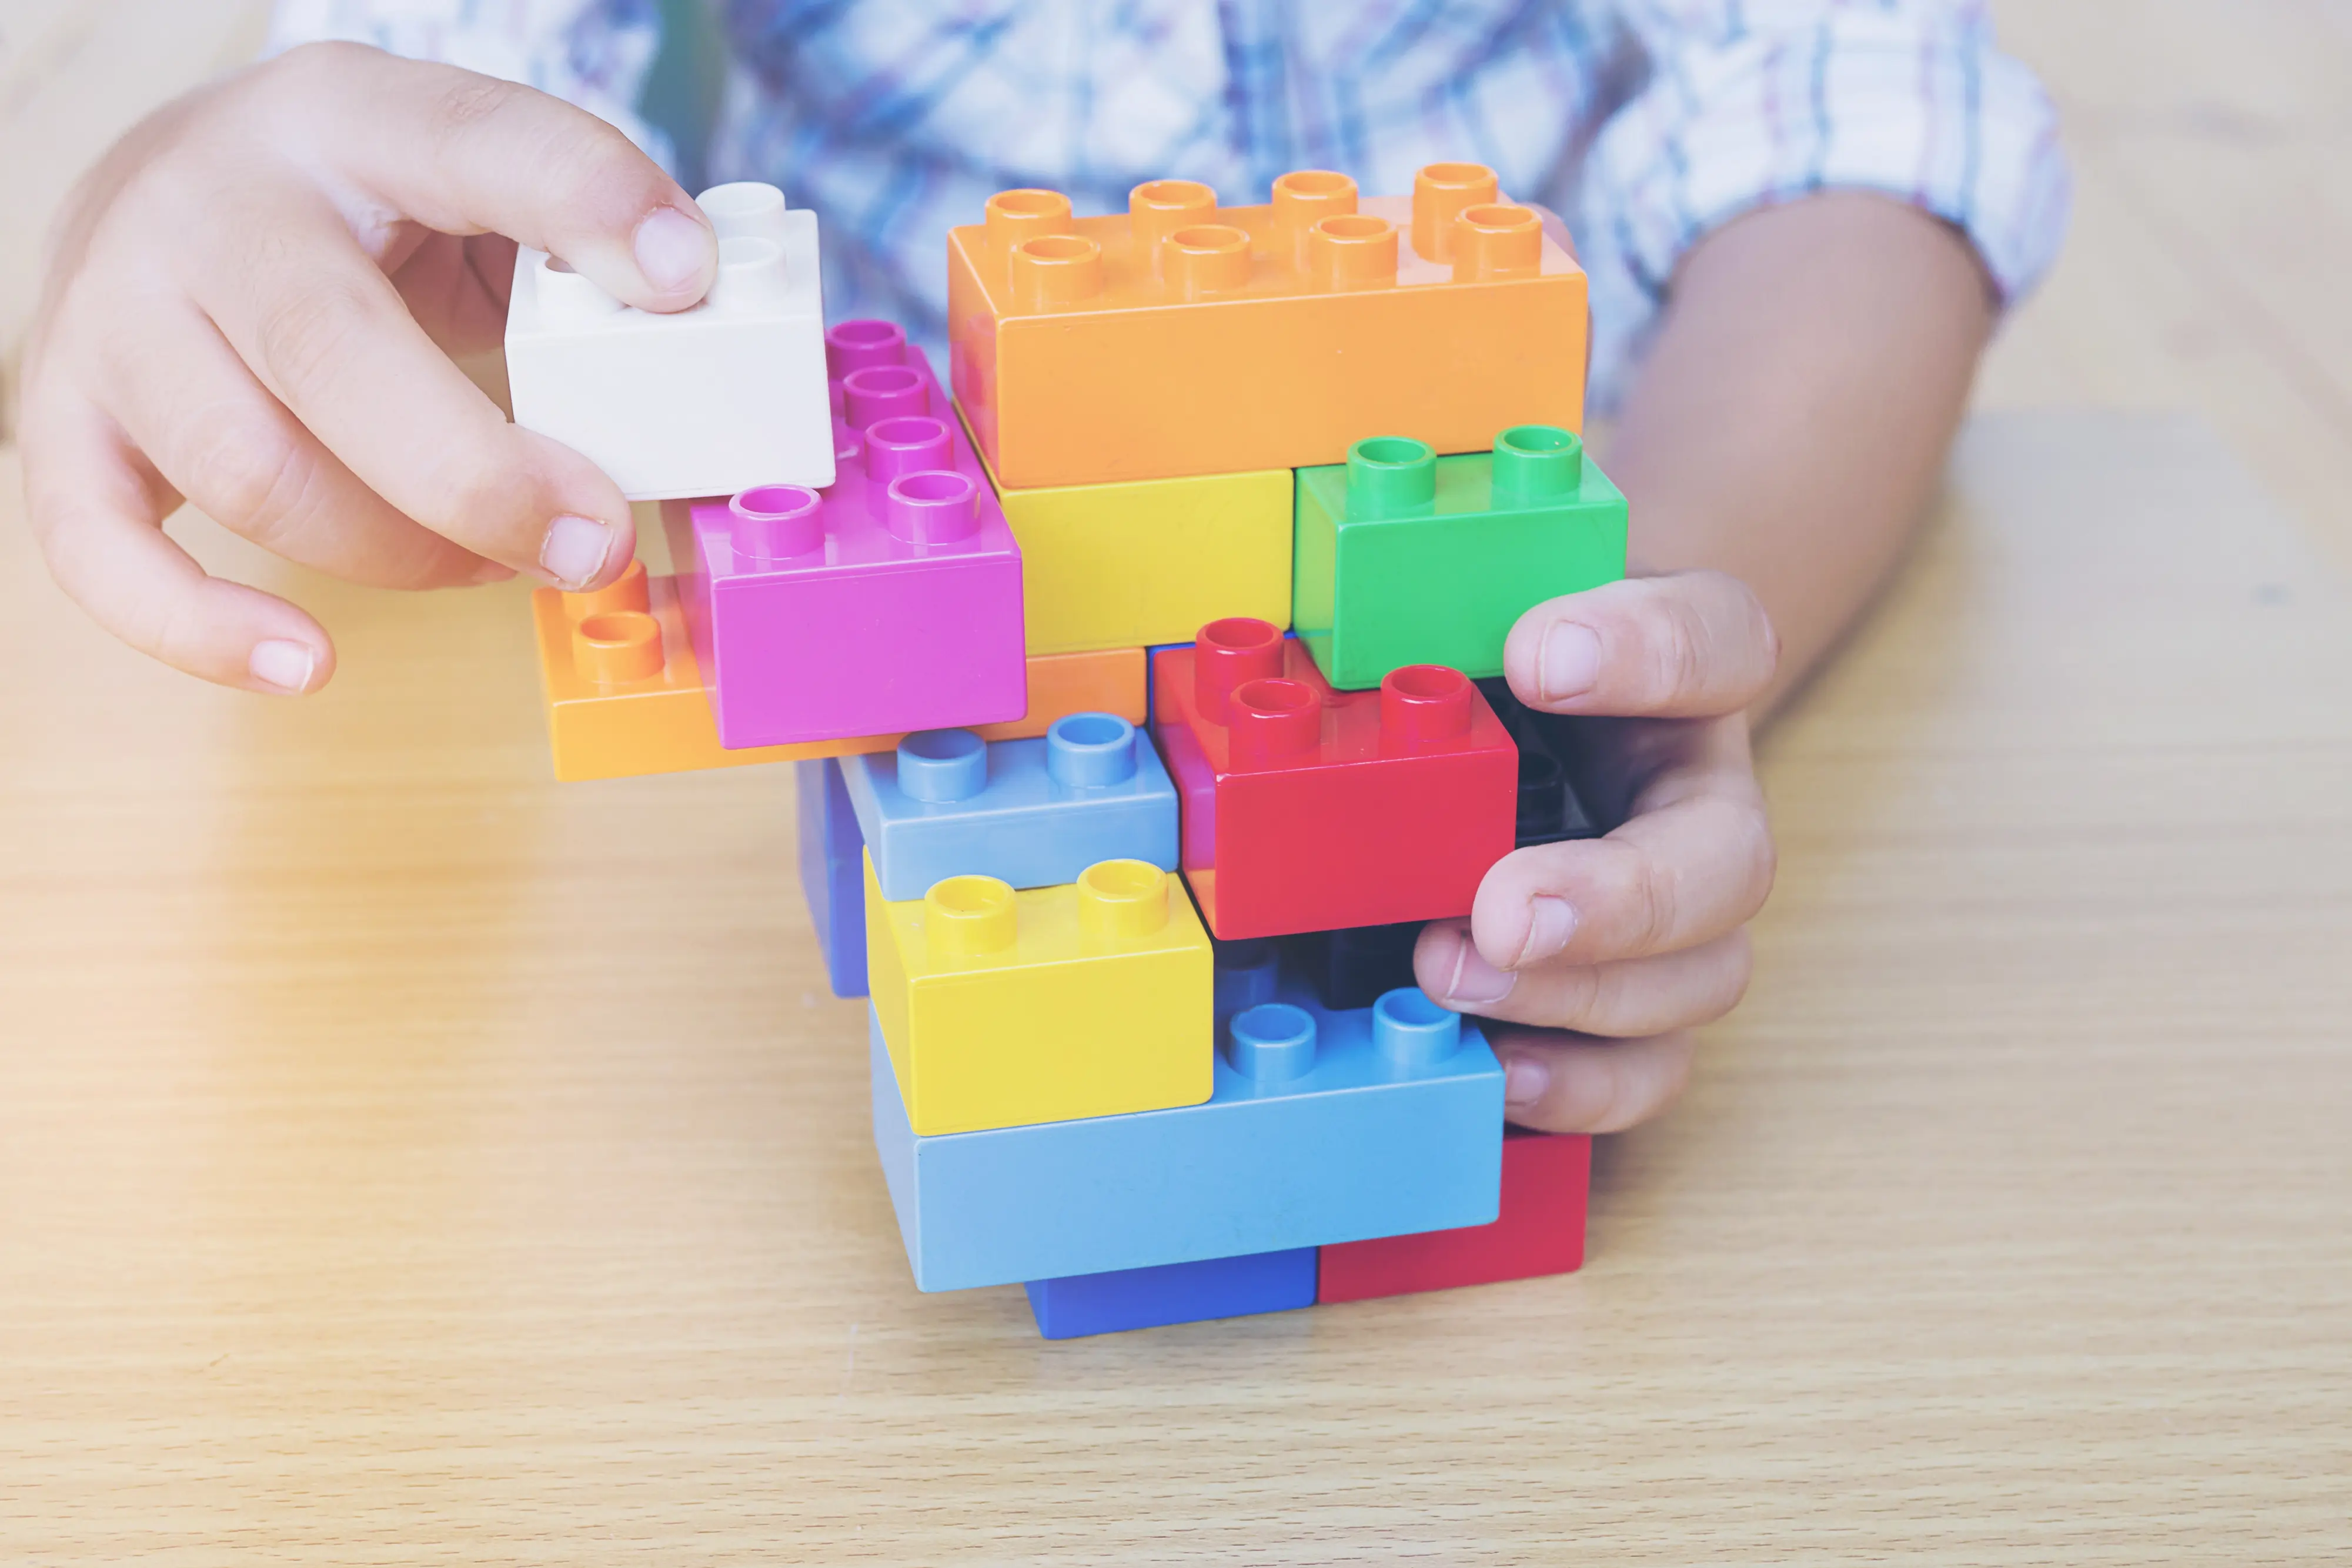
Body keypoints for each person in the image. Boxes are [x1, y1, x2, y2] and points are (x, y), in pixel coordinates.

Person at [14, 2, 2069, 1135]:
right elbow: (400, 85)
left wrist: (1644, 631)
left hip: (1502, 569)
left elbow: (1852, 114)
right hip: (935, 615)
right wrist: (192, 185)